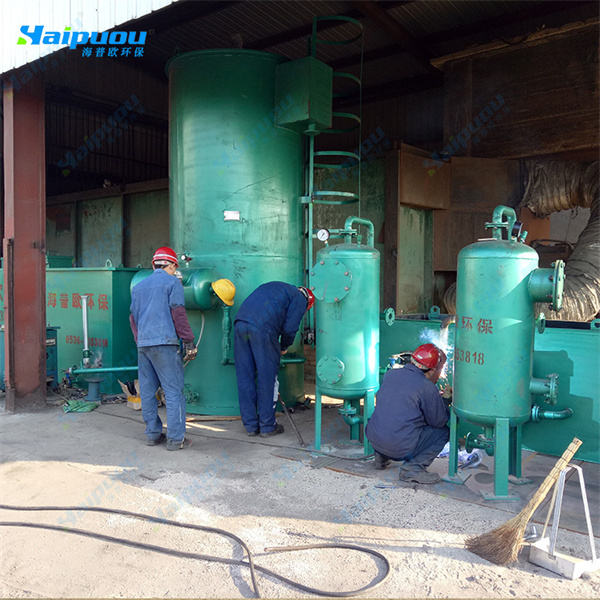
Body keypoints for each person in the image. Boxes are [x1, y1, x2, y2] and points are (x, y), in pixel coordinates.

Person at [129, 247, 235, 450]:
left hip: (143, 345)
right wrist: (188, 340)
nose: (174, 271)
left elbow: (132, 318)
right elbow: (178, 313)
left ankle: (152, 435)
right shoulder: (172, 283)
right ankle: (175, 439)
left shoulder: (139, 287)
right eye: (174, 268)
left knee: (148, 391)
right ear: (171, 266)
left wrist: (139, 340)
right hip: (164, 344)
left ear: (153, 265)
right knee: (173, 392)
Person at [234, 282, 315, 438]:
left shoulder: (277, 288)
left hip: (241, 324)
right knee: (267, 378)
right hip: (262, 330)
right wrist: (283, 346)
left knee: (245, 376)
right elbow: (290, 328)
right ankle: (267, 426)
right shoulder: (300, 298)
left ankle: (251, 426)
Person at [365, 343, 451, 484]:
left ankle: (381, 457)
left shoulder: (390, 374)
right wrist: (445, 401)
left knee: (390, 418)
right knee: (443, 432)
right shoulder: (427, 387)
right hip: (400, 448)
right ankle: (413, 469)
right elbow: (438, 422)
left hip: (374, 439)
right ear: (431, 371)